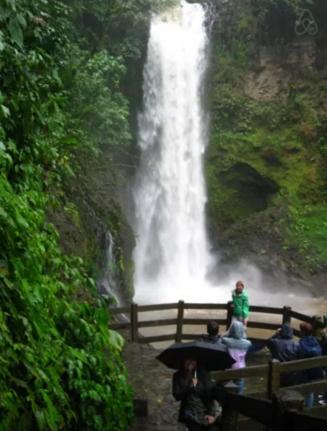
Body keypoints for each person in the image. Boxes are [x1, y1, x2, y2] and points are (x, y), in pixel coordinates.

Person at [172, 359, 221, 430]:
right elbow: (177, 396)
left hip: (205, 410)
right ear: (183, 361)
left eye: (193, 360)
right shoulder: (177, 376)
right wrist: (189, 386)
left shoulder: (203, 374)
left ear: (197, 362)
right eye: (187, 359)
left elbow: (210, 394)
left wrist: (211, 414)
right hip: (189, 412)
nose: (190, 362)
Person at [297, 322, 324, 408]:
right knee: (310, 391)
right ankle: (309, 407)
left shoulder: (301, 342)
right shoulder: (315, 341)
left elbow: (298, 356)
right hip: (317, 371)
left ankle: (304, 406)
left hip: (305, 372)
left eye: (300, 330)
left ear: (303, 332)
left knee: (300, 386)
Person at [221, 321, 252, 394]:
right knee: (240, 384)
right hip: (240, 368)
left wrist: (228, 332)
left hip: (229, 367)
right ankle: (239, 397)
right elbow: (245, 338)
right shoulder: (247, 343)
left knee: (224, 383)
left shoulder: (226, 341)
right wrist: (243, 332)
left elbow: (221, 337)